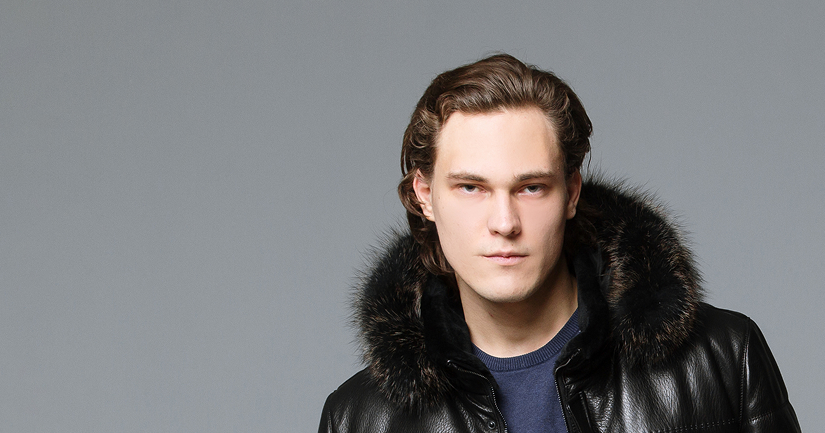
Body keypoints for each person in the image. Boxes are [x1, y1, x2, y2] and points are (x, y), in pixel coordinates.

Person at [319, 54, 800, 433]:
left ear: (571, 193)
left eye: (531, 187)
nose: (504, 223)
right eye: (471, 187)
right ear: (425, 196)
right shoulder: (358, 419)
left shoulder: (723, 359)